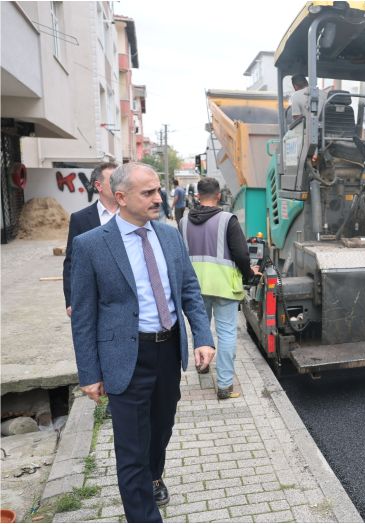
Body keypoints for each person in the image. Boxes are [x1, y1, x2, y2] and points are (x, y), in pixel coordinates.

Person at [70, 162, 215, 522]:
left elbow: (189, 291)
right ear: (120, 198)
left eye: (157, 190)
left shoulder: (169, 235)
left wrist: (203, 336)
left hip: (168, 352)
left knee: (161, 429)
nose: (158, 197)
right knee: (131, 446)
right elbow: (84, 315)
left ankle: (153, 475)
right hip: (125, 357)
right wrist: (89, 372)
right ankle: (144, 515)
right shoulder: (91, 245)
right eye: (147, 192)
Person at [179, 177, 260, 399]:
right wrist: (249, 274)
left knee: (200, 327)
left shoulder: (183, 222)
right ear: (218, 196)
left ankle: (202, 364)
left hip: (194, 286)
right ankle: (224, 385)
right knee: (226, 334)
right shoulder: (227, 220)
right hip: (223, 285)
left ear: (197, 196)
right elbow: (242, 254)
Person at [63, 162, 118, 318]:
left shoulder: (132, 215)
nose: (120, 185)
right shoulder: (80, 219)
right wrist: (70, 300)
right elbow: (71, 262)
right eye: (113, 181)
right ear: (98, 186)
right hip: (93, 294)